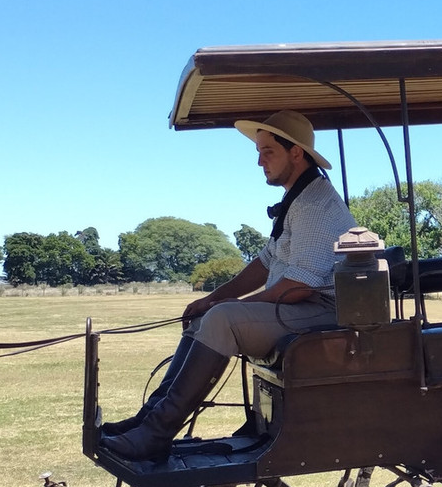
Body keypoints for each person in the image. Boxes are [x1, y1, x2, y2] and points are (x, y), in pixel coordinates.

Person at [101, 110, 356, 461]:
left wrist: (225, 308)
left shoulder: (314, 204)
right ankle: (148, 420)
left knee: (223, 319)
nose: (259, 161)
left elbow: (299, 286)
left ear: (296, 153)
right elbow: (265, 263)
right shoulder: (298, 198)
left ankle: (155, 435)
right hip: (300, 308)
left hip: (322, 314)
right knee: (204, 315)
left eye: (268, 152)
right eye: (259, 151)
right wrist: (211, 298)